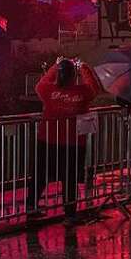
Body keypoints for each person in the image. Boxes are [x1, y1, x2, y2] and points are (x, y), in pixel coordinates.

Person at [27, 57, 100, 219]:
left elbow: (39, 84)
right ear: (74, 75)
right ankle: (70, 214)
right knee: (70, 178)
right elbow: (94, 88)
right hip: (73, 142)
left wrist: (55, 66)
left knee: (40, 174)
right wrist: (84, 67)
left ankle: (31, 207)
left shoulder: (48, 90)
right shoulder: (81, 93)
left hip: (47, 139)